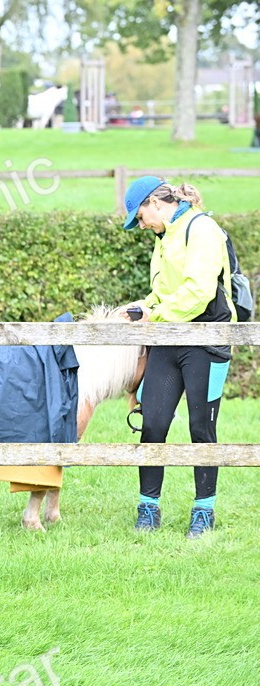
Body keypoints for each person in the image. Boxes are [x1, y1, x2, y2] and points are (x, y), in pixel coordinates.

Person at [121, 176, 234, 538]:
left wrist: (158, 314)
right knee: (152, 423)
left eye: (140, 217)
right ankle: (148, 507)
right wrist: (143, 307)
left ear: (155, 203)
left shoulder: (202, 229)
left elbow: (199, 291)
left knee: (201, 428)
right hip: (170, 338)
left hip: (207, 339)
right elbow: (164, 292)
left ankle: (204, 512)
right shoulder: (165, 236)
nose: (141, 225)